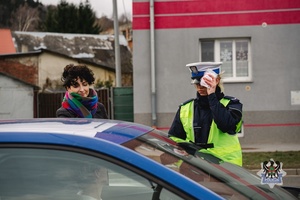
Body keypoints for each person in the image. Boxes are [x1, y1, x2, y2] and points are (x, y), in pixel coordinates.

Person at [168, 62, 243, 166]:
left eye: (203, 83)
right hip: (196, 166)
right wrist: (184, 150)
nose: (199, 88)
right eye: (196, 84)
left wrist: (211, 95)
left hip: (225, 167)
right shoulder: (186, 108)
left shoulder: (232, 104)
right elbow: (174, 138)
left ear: (217, 81)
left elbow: (225, 125)